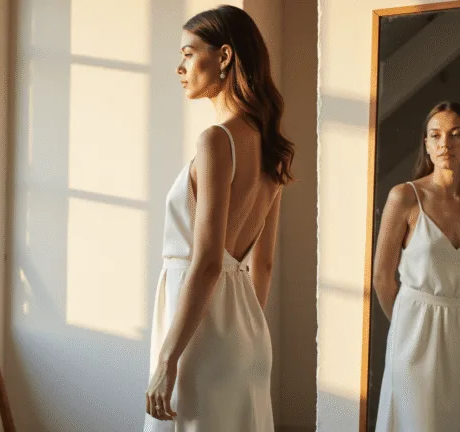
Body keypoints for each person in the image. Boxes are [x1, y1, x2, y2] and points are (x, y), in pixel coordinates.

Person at [142, 5, 294, 431]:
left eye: (189, 53)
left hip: (200, 336)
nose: (180, 66)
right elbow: (261, 264)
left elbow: (208, 261)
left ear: (224, 56)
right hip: (245, 330)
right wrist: (243, 330)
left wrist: (168, 359)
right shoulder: (271, 149)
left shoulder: (216, 140)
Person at [373, 101, 460, 431]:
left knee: (454, 421)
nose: (446, 143)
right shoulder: (404, 197)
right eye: (436, 135)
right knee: (416, 422)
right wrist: (407, 323)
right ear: (427, 145)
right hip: (414, 327)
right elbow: (382, 277)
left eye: (456, 134)